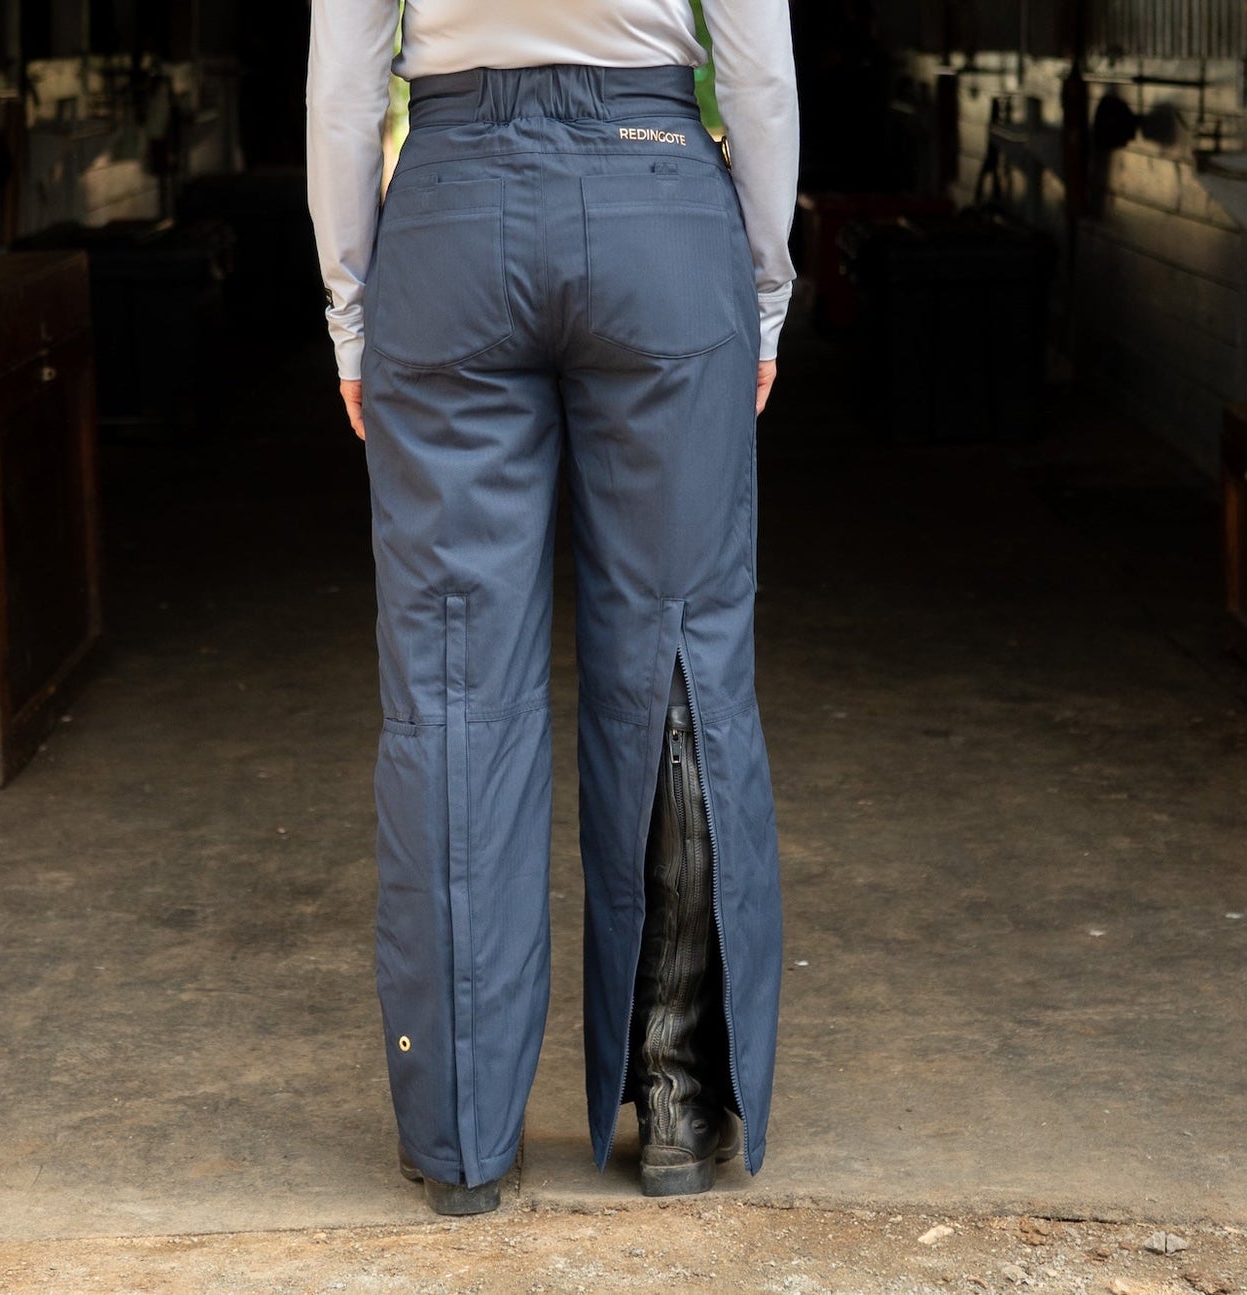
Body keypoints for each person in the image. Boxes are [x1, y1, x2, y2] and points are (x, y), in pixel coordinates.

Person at [305, 0, 797, 1215]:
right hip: (658, 199)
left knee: (450, 673)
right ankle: (677, 1098)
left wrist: (349, 309)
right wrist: (764, 282)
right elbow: (756, 67)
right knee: (678, 646)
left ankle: (460, 1132)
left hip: (452, 212)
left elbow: (343, 82)